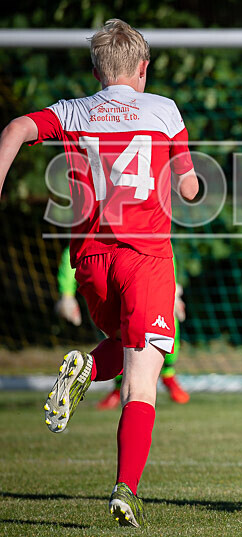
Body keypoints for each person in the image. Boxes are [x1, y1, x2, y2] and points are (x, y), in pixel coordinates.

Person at [0, 19, 199, 527]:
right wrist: (184, 181)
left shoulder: (73, 111)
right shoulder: (164, 110)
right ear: (143, 69)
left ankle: (88, 369)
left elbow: (16, 129)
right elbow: (191, 187)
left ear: (95, 70)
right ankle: (125, 489)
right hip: (146, 256)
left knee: (127, 343)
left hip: (90, 262)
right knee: (143, 378)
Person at [56, 247, 191, 407]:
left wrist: (67, 295)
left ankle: (87, 370)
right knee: (141, 388)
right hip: (138, 269)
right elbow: (163, 248)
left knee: (119, 338)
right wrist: (67, 295)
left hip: (103, 270)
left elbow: (74, 250)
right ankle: (108, 380)